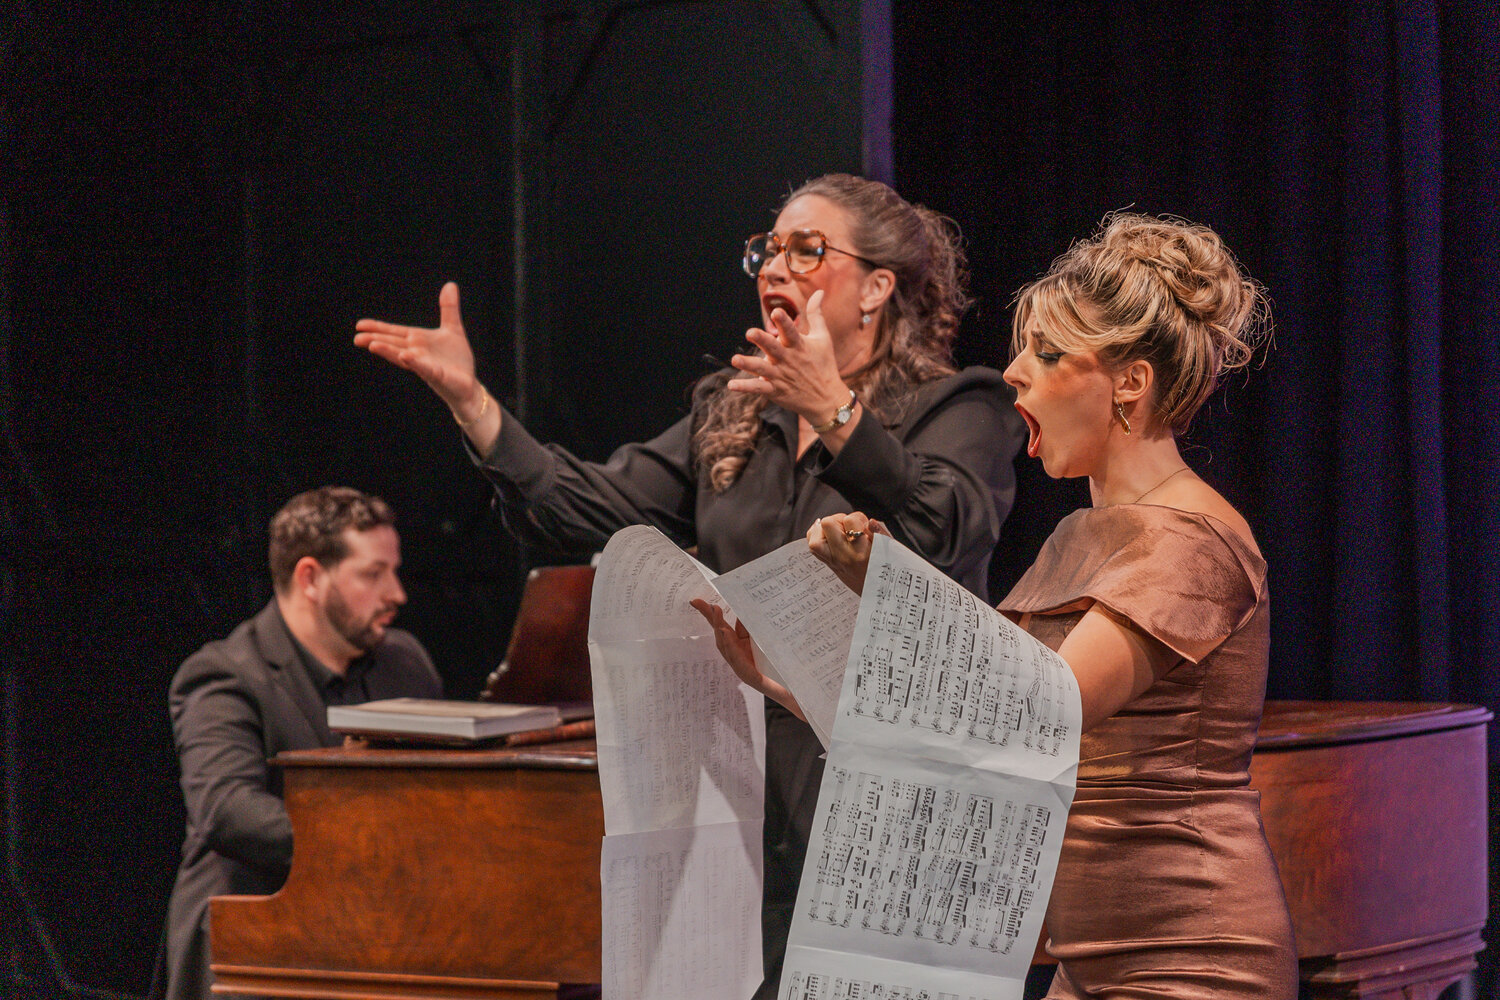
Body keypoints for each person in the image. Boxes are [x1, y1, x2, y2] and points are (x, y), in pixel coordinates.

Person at [353, 173, 1027, 998]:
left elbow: (939, 535)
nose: (776, 268)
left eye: (806, 250)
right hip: (750, 789)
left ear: (878, 288)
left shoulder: (962, 406)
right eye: (766, 250)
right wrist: (474, 405)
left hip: (892, 797)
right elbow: (590, 510)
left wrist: (836, 413)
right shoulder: (736, 412)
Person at [698, 213, 1298, 997]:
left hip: (1190, 961)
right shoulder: (1078, 537)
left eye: (1048, 354)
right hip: (1087, 963)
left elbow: (1041, 712)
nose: (1015, 372)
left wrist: (887, 585)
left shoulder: (1191, 542)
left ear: (1130, 382)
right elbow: (966, 728)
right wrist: (778, 678)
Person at [163, 487, 442, 1000]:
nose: (397, 593)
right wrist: (372, 846)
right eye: (373, 573)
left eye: (394, 571)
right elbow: (227, 811)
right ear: (310, 577)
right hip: (253, 940)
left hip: (380, 936)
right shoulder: (225, 675)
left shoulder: (405, 662)